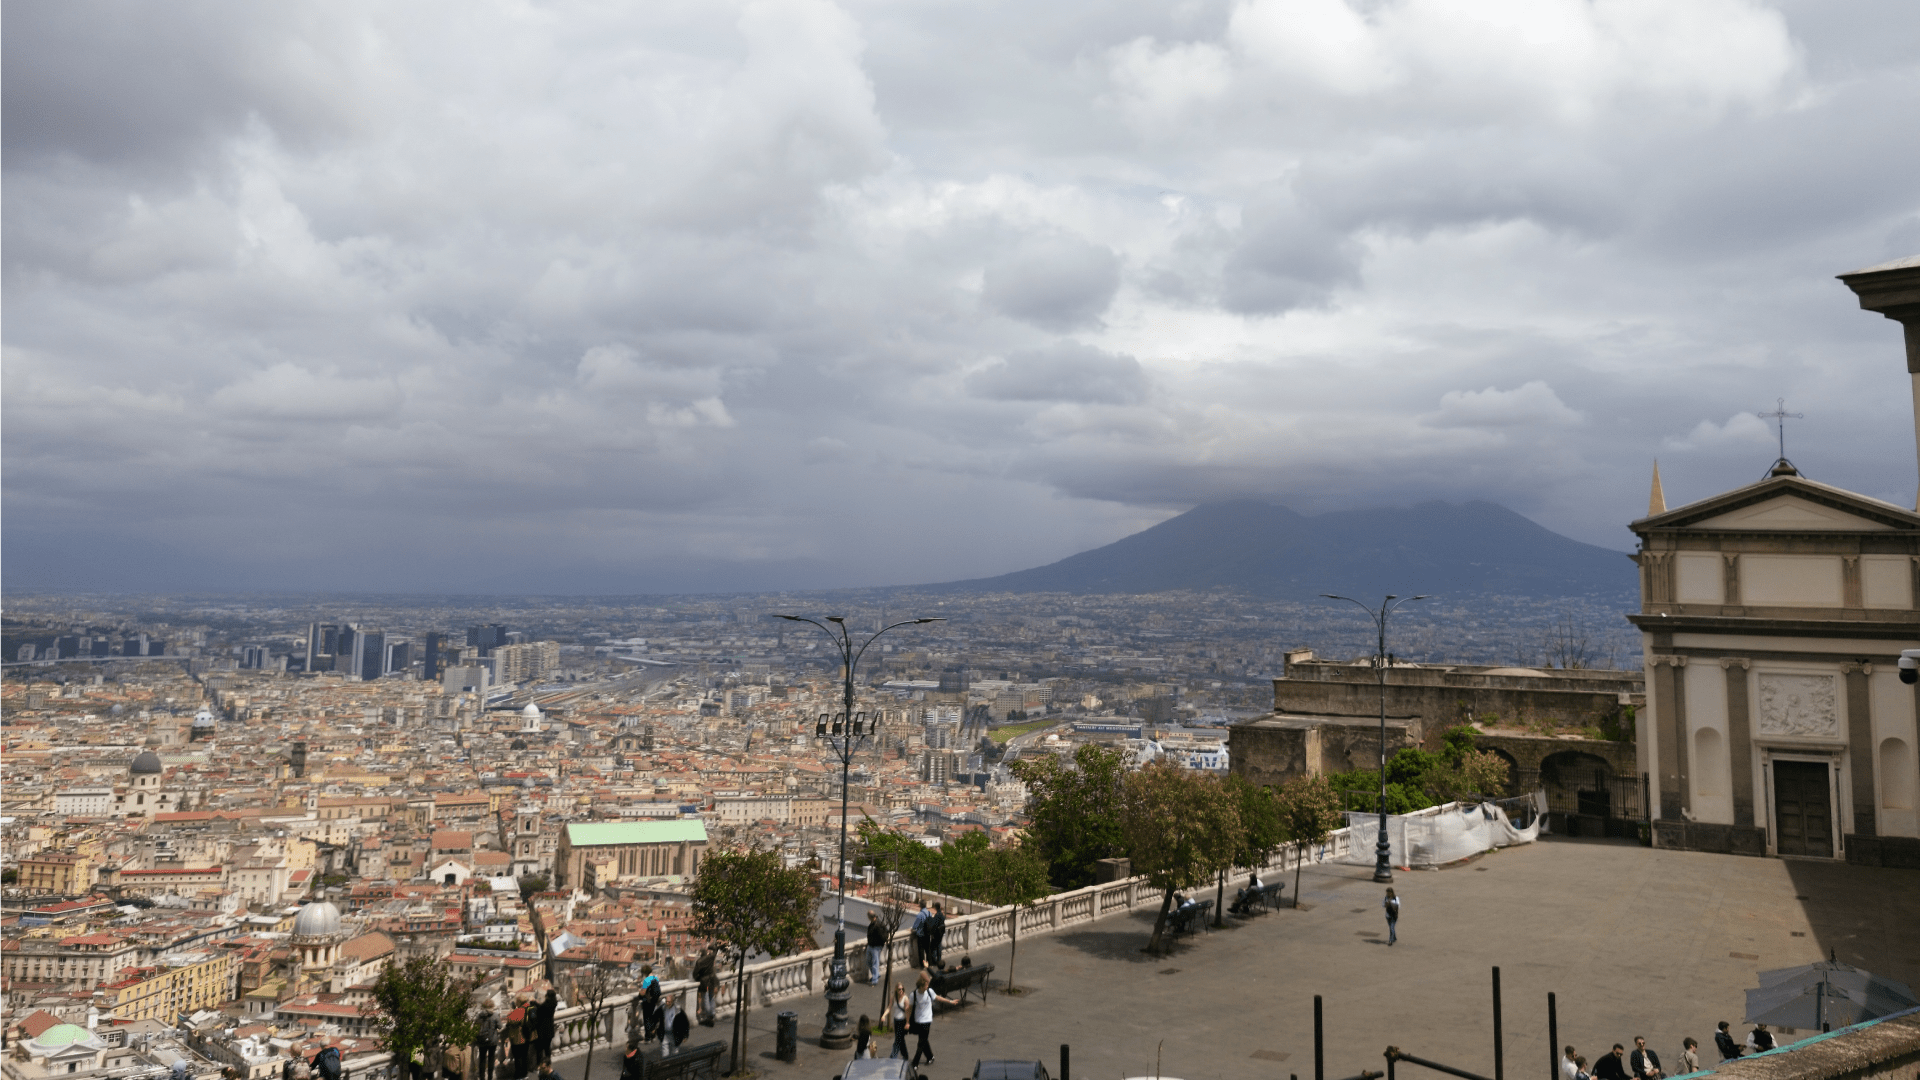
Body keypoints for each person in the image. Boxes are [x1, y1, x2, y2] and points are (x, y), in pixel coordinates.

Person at [908, 971, 958, 1070]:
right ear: (920, 986)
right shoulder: (913, 995)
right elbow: (909, 1009)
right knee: (924, 1040)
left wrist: (950, 1001)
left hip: (927, 1021)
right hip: (918, 1021)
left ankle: (915, 1063)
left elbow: (938, 998)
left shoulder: (929, 991)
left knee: (921, 1043)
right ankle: (930, 1057)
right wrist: (907, 1021)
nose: (927, 987)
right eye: (925, 986)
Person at [693, 947, 719, 1026]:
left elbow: (694, 974)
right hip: (712, 980)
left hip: (704, 981)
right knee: (712, 997)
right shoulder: (710, 957)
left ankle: (709, 1016)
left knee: (706, 998)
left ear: (701, 954)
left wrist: (698, 978)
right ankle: (712, 1014)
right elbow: (715, 950)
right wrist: (711, 947)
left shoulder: (699, 961)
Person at [474, 1003, 499, 1080]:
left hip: (482, 1040)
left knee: (482, 1059)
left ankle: (482, 1077)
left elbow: (475, 1027)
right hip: (492, 1040)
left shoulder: (479, 1016)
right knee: (491, 1059)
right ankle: (490, 1077)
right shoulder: (495, 1015)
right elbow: (500, 1026)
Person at [534, 990, 558, 1066]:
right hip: (550, 1028)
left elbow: (540, 1010)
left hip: (543, 1029)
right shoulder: (554, 1003)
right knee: (547, 1048)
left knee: (540, 1048)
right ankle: (548, 1063)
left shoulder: (547, 1004)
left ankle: (539, 1064)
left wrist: (534, 1003)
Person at [504, 1005, 529, 1080]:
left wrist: (511, 1012)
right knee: (524, 1057)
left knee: (517, 1058)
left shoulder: (511, 1015)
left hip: (515, 1039)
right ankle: (524, 1074)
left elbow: (508, 1022)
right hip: (524, 1037)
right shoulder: (524, 1012)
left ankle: (518, 1075)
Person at [639, 965, 662, 1042]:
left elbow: (643, 992)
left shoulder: (646, 980)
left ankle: (647, 1038)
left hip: (647, 1002)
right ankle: (652, 1036)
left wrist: (639, 991)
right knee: (652, 1018)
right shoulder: (656, 978)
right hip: (654, 1001)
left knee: (647, 1019)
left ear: (644, 973)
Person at [889, 982, 912, 1061]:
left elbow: (907, 1012)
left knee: (898, 1040)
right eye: (899, 989)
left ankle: (893, 1056)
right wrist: (884, 1015)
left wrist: (907, 1022)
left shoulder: (905, 998)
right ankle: (905, 1056)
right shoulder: (894, 998)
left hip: (902, 1021)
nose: (901, 990)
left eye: (902, 989)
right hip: (896, 1021)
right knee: (901, 1039)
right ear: (896, 989)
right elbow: (889, 1007)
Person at [866, 910, 886, 984]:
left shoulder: (878, 925)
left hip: (876, 947)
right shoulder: (873, 923)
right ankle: (876, 974)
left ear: (870, 917)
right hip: (870, 945)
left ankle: (875, 980)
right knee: (868, 961)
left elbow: (882, 936)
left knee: (875, 963)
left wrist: (880, 944)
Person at [926, 903, 948, 969]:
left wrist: (932, 934)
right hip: (941, 933)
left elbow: (934, 925)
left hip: (937, 934)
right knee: (939, 946)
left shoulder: (937, 915)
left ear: (935, 907)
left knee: (934, 947)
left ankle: (934, 960)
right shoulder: (941, 914)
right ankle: (939, 959)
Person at [910, 900, 930, 969]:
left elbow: (915, 926)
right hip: (928, 934)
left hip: (921, 934)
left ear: (920, 906)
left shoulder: (920, 915)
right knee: (927, 949)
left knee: (921, 950)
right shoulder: (929, 913)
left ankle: (922, 965)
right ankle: (928, 963)